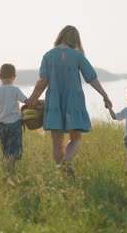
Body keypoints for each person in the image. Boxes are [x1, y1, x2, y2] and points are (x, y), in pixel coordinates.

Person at [26, 25, 112, 175]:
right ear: (76, 39)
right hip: (74, 102)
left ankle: (63, 170)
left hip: (54, 102)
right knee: (76, 138)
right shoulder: (78, 56)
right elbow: (91, 78)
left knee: (57, 142)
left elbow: (42, 82)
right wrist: (105, 95)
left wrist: (31, 100)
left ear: (60, 36)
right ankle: (66, 163)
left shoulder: (48, 55)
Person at [0, 63, 28, 172]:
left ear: (0, 76)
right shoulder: (15, 90)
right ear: (14, 77)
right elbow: (27, 102)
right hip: (15, 124)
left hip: (2, 125)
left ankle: (10, 172)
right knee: (16, 150)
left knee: (7, 150)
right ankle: (9, 166)